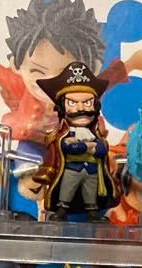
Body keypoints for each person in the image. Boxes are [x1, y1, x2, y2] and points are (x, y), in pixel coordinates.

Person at [0, 0, 142, 145]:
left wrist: (132, 63)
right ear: (17, 65)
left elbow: (107, 79)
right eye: (37, 71)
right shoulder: (22, 87)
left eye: (66, 73)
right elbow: (0, 73)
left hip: (75, 144)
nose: (51, 81)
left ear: (91, 68)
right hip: (31, 138)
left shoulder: (84, 92)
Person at [33, 62, 117, 222]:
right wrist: (86, 146)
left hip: (91, 170)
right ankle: (61, 211)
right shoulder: (63, 134)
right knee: (66, 190)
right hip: (72, 169)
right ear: (62, 107)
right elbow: (69, 147)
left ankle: (92, 213)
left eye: (87, 103)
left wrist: (91, 147)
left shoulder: (95, 133)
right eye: (72, 103)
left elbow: (101, 150)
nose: (80, 108)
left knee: (90, 192)